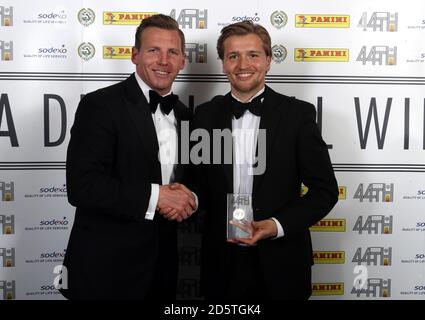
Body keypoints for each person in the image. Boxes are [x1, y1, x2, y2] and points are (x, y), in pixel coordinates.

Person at [192, 21, 338, 300]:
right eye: (233, 56)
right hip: (221, 263)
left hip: (281, 262)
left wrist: (276, 225)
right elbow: (199, 183)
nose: (242, 64)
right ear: (223, 63)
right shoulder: (205, 116)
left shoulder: (297, 115)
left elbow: (325, 191)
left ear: (269, 61)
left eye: (253, 55)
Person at [60, 14, 196, 300]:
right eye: (153, 50)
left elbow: (189, 183)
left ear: (182, 60)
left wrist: (190, 198)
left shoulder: (186, 116)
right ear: (135, 55)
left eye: (172, 52)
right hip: (104, 272)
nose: (163, 60)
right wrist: (157, 197)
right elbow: (82, 186)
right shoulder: (99, 105)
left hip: (163, 270)